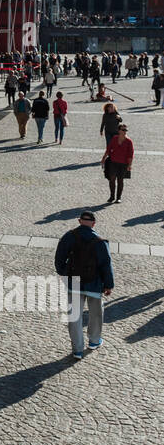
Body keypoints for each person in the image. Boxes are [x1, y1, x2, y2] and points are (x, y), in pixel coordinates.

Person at [54, 210, 114, 360]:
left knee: (74, 317)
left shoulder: (69, 236)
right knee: (96, 314)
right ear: (94, 224)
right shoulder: (100, 242)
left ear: (79, 221)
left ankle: (77, 350)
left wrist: (63, 272)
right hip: (94, 283)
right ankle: (94, 341)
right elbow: (106, 265)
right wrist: (108, 285)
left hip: (74, 281)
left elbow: (59, 256)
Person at [103, 123, 134, 205]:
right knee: (112, 179)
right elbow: (109, 149)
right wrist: (103, 158)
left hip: (123, 164)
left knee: (120, 180)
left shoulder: (129, 141)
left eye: (126, 130)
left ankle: (118, 198)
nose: (125, 132)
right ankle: (112, 196)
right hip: (113, 162)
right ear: (119, 130)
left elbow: (130, 155)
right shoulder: (114, 138)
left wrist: (130, 165)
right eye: (123, 130)